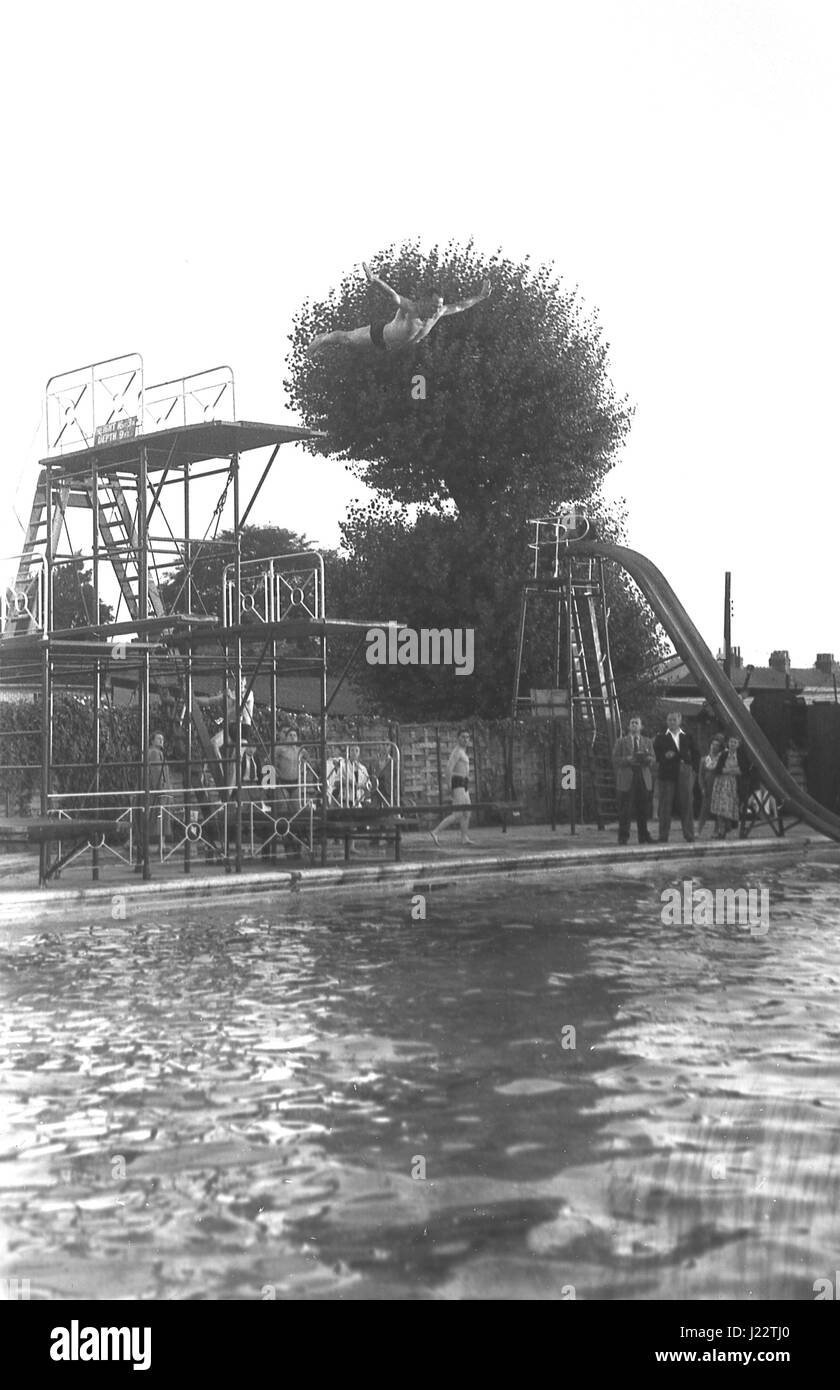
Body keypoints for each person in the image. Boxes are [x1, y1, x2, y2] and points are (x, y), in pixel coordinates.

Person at [308, 262, 491, 355]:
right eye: (434, 305)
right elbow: (392, 295)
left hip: (392, 350)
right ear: (426, 301)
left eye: (440, 306)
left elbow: (461, 306)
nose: (437, 310)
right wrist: (375, 280)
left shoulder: (439, 312)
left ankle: (325, 340)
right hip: (379, 336)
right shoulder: (411, 309)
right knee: (347, 339)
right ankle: (323, 339)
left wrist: (481, 296)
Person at [653, 712, 697, 843]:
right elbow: (656, 754)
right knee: (665, 804)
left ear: (679, 721)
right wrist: (665, 756)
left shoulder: (687, 736)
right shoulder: (661, 737)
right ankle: (663, 835)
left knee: (686, 803)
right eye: (669, 720)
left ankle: (689, 834)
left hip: (684, 771)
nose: (671, 722)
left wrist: (692, 766)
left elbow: (696, 752)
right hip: (667, 773)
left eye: (674, 720)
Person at [611, 715, 655, 845]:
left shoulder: (647, 742)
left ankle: (643, 836)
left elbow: (653, 759)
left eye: (637, 723)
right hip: (627, 776)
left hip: (642, 776)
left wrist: (648, 759)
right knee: (625, 809)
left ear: (641, 727)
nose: (634, 725)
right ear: (629, 726)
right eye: (632, 723)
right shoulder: (621, 742)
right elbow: (615, 759)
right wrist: (627, 759)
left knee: (643, 809)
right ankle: (623, 836)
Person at [430, 730, 475, 847]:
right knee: (458, 814)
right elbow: (448, 769)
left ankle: (464, 837)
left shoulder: (463, 752)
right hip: (458, 783)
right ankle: (436, 832)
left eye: (467, 737)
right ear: (458, 738)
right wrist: (449, 786)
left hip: (464, 784)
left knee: (467, 812)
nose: (465, 739)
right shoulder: (457, 752)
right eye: (463, 737)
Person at [711, 735, 751, 839]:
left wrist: (729, 770)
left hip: (733, 784)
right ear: (728, 743)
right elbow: (718, 770)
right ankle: (722, 830)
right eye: (731, 742)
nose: (732, 744)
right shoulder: (723, 755)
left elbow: (743, 770)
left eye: (735, 742)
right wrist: (732, 770)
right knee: (720, 808)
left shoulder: (741, 756)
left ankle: (727, 826)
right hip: (721, 783)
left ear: (738, 744)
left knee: (728, 808)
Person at [697, 734, 725, 835]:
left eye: (717, 745)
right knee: (704, 809)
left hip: (718, 786)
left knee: (718, 810)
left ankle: (716, 831)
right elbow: (700, 775)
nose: (714, 747)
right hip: (708, 787)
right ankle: (699, 830)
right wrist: (702, 788)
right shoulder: (704, 760)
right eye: (713, 744)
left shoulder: (721, 759)